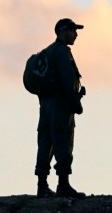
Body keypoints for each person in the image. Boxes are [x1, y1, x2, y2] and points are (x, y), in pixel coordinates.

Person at [34, 18, 86, 198]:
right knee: (63, 142)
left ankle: (42, 185)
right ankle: (63, 184)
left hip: (46, 105)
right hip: (61, 106)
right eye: (73, 30)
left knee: (45, 143)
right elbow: (68, 81)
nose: (76, 34)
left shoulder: (48, 51)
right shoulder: (62, 52)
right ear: (63, 31)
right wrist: (76, 103)